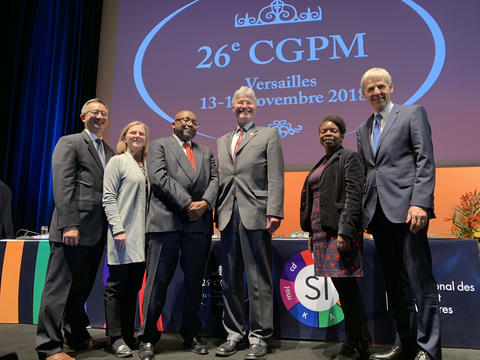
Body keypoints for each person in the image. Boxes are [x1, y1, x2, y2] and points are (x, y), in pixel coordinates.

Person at [356, 68, 440, 360]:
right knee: (395, 285)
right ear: (363, 94)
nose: (376, 92)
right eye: (370, 89)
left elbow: (424, 160)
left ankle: (429, 350)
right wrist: (364, 213)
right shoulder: (362, 129)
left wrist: (420, 203)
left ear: (391, 86)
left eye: (381, 86)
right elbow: (369, 173)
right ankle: (406, 345)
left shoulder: (412, 114)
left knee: (420, 282)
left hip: (408, 212)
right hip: (378, 216)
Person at [36, 98, 115, 360]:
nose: (100, 117)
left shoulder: (109, 151)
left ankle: (78, 337)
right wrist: (69, 224)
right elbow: (63, 184)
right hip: (72, 230)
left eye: (104, 113)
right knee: (58, 289)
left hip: (96, 233)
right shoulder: (69, 142)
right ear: (83, 117)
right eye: (94, 112)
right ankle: (48, 347)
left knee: (79, 289)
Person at [137, 110, 218, 360]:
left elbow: (216, 179)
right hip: (166, 223)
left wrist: (205, 203)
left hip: (198, 225)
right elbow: (159, 178)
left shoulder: (206, 151)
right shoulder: (159, 146)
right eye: (184, 119)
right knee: (157, 283)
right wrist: (188, 203)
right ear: (173, 124)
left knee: (194, 284)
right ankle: (148, 337)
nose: (189, 123)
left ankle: (191, 334)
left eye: (193, 121)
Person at [215, 86, 284, 360]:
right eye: (239, 103)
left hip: (255, 214)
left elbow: (276, 175)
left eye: (248, 103)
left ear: (255, 107)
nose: (243, 106)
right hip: (226, 215)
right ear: (232, 108)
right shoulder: (221, 140)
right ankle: (234, 334)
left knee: (258, 279)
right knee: (230, 279)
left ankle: (259, 337)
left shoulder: (268, 134)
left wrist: (274, 211)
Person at [299, 115, 370, 360]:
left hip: (339, 232)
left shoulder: (348, 157)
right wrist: (310, 231)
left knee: (347, 289)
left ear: (342, 134)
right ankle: (360, 343)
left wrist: (346, 230)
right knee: (343, 288)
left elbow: (353, 195)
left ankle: (352, 344)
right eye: (323, 131)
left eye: (333, 130)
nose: (327, 134)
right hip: (321, 232)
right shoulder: (322, 162)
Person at [102, 121, 150, 357]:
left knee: (133, 289)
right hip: (122, 235)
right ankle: (115, 337)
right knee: (116, 288)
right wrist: (118, 229)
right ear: (124, 136)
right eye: (133, 132)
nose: (137, 136)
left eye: (141, 133)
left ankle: (129, 336)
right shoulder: (117, 161)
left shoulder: (147, 166)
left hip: (142, 240)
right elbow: (109, 198)